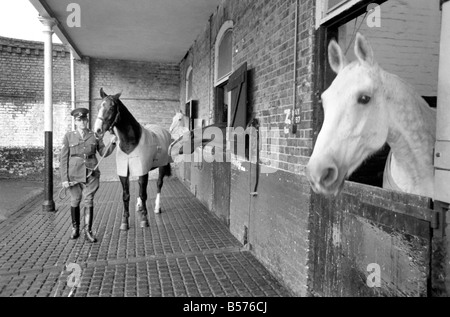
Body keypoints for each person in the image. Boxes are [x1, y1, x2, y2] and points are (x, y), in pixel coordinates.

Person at [60, 108, 117, 242]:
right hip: (73, 174)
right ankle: (75, 229)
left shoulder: (94, 135)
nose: (82, 123)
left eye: (84, 120)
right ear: (75, 121)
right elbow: (63, 159)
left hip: (91, 173)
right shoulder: (69, 136)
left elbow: (103, 153)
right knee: (75, 200)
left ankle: (88, 231)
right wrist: (64, 179)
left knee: (88, 200)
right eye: (79, 120)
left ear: (87, 120)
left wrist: (112, 142)